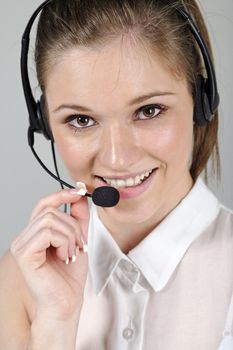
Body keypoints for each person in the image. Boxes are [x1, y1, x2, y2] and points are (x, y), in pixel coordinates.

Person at [0, 0, 232, 349]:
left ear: (201, 102)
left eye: (149, 110)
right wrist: (54, 326)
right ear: (44, 124)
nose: (116, 157)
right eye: (81, 120)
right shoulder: (23, 277)